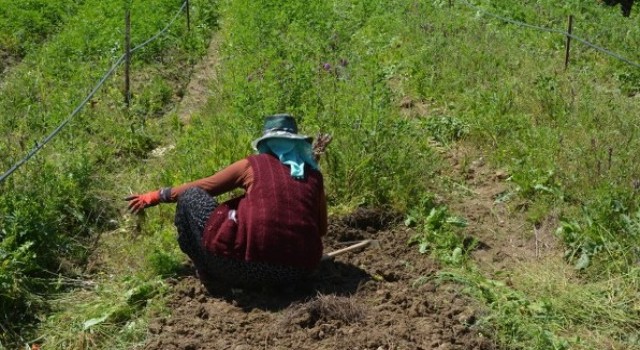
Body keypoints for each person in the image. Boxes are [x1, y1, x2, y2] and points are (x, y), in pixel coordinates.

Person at [125, 114, 331, 289]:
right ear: (297, 143)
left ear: (266, 143)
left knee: (190, 197)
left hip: (239, 269)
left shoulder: (252, 165)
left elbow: (204, 186)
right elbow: (320, 230)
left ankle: (210, 275)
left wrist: (157, 195)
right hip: (299, 275)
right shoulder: (314, 175)